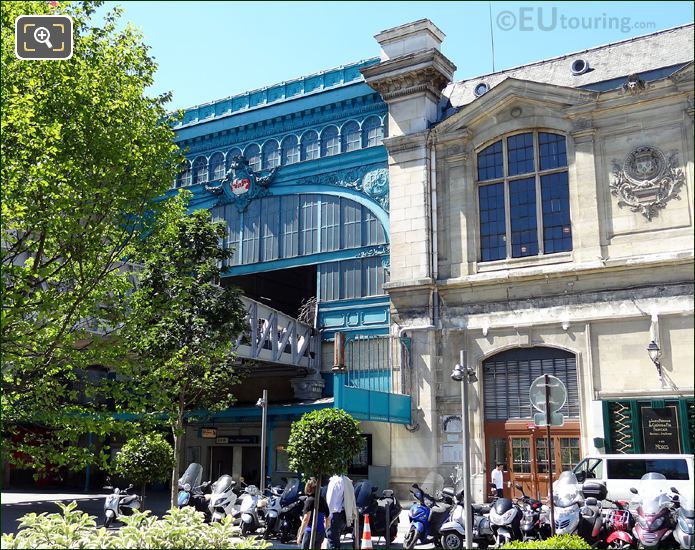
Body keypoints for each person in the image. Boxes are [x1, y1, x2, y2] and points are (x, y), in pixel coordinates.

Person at [325, 473, 356, 549]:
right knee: (335, 541)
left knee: (333, 543)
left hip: (334, 514)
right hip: (342, 514)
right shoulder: (345, 480)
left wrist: (327, 517)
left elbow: (330, 502)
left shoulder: (335, 481)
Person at [296, 478, 329, 549]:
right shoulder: (322, 500)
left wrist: (300, 535)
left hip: (310, 531)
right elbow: (327, 517)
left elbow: (306, 519)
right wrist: (325, 529)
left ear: (308, 488)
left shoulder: (309, 500)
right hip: (321, 532)